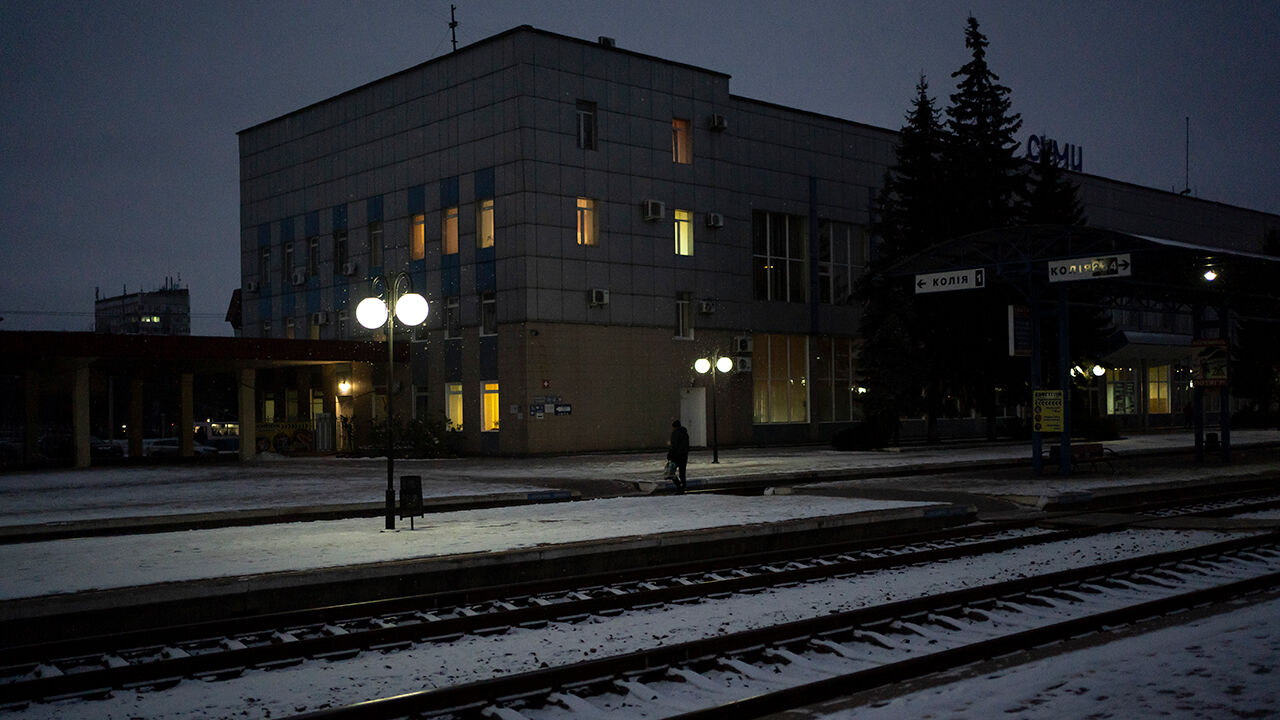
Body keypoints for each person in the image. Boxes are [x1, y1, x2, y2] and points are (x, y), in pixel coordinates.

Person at [667, 419, 690, 493]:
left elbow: (674, 445)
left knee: (671, 472)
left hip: (676, 456)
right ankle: (683, 486)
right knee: (682, 473)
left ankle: (679, 486)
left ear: (674, 427)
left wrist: (670, 455)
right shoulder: (685, 433)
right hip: (684, 456)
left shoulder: (675, 433)